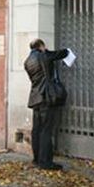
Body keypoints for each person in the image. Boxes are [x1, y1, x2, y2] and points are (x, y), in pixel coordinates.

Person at [24, 39, 69, 171]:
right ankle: (46, 163)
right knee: (46, 131)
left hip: (35, 98)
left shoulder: (27, 61)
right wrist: (67, 51)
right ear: (41, 46)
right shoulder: (43, 55)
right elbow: (59, 54)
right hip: (45, 98)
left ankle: (37, 159)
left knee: (37, 130)